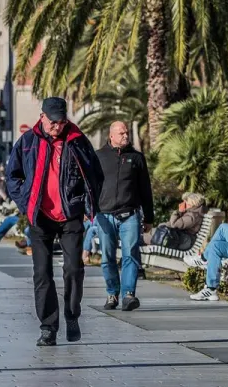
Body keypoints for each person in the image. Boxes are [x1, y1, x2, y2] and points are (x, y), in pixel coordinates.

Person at [5, 97, 101, 346]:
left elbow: (95, 175)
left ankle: (71, 315)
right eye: (52, 121)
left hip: (70, 215)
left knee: (73, 269)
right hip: (40, 217)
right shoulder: (27, 142)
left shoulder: (77, 141)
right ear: (42, 117)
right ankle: (48, 327)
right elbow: (12, 176)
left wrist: (85, 201)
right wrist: (26, 203)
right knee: (42, 274)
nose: (56, 126)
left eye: (60, 122)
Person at [94, 121, 154, 312]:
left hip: (130, 215)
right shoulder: (99, 157)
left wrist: (149, 217)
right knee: (107, 258)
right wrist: (90, 210)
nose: (125, 136)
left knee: (131, 255)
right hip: (104, 216)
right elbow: (91, 187)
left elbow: (145, 188)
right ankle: (112, 293)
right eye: (121, 133)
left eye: (126, 133)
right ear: (111, 135)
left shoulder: (136, 158)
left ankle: (129, 295)